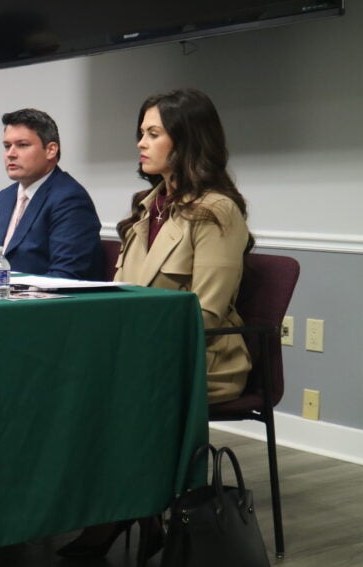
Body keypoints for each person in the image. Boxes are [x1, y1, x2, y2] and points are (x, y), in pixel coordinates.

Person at [58, 88, 253, 563]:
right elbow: (123, 295)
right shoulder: (147, 206)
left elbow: (204, 313)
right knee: (61, 381)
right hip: (142, 352)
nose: (141, 144)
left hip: (201, 357)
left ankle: (116, 512)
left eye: (153, 134)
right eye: (140, 134)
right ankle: (112, 507)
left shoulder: (218, 211)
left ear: (186, 140)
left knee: (98, 393)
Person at [0, 108, 102, 279]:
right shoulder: (3, 198)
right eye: (7, 146)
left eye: (22, 145)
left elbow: (66, 275)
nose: (10, 154)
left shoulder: (70, 199)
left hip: (41, 302)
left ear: (51, 150)